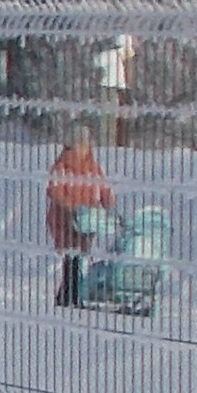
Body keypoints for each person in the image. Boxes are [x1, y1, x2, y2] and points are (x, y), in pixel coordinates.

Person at [46, 128, 117, 306]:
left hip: (86, 219)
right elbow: (54, 191)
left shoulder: (92, 167)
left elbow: (104, 188)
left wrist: (108, 203)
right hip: (65, 220)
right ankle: (69, 295)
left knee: (80, 256)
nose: (86, 147)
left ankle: (70, 294)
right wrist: (70, 207)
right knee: (71, 257)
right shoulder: (62, 166)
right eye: (83, 144)